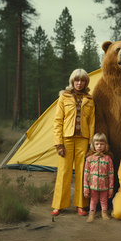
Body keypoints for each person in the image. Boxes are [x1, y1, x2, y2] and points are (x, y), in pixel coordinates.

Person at [51, 69, 95, 216]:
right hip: (66, 139)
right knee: (64, 172)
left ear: (86, 82)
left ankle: (81, 204)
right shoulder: (64, 97)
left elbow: (92, 123)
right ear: (72, 81)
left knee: (83, 172)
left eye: (82, 80)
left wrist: (91, 145)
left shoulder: (90, 99)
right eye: (76, 80)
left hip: (83, 140)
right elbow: (57, 121)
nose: (79, 83)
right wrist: (58, 143)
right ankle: (59, 205)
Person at [83, 133, 114, 222]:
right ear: (93, 145)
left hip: (104, 185)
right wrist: (86, 188)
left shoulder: (108, 159)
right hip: (92, 185)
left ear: (105, 145)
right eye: (97, 144)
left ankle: (104, 212)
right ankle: (92, 213)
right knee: (93, 200)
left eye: (102, 144)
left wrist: (111, 189)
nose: (99, 146)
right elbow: (86, 174)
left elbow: (111, 174)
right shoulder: (89, 159)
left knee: (104, 200)